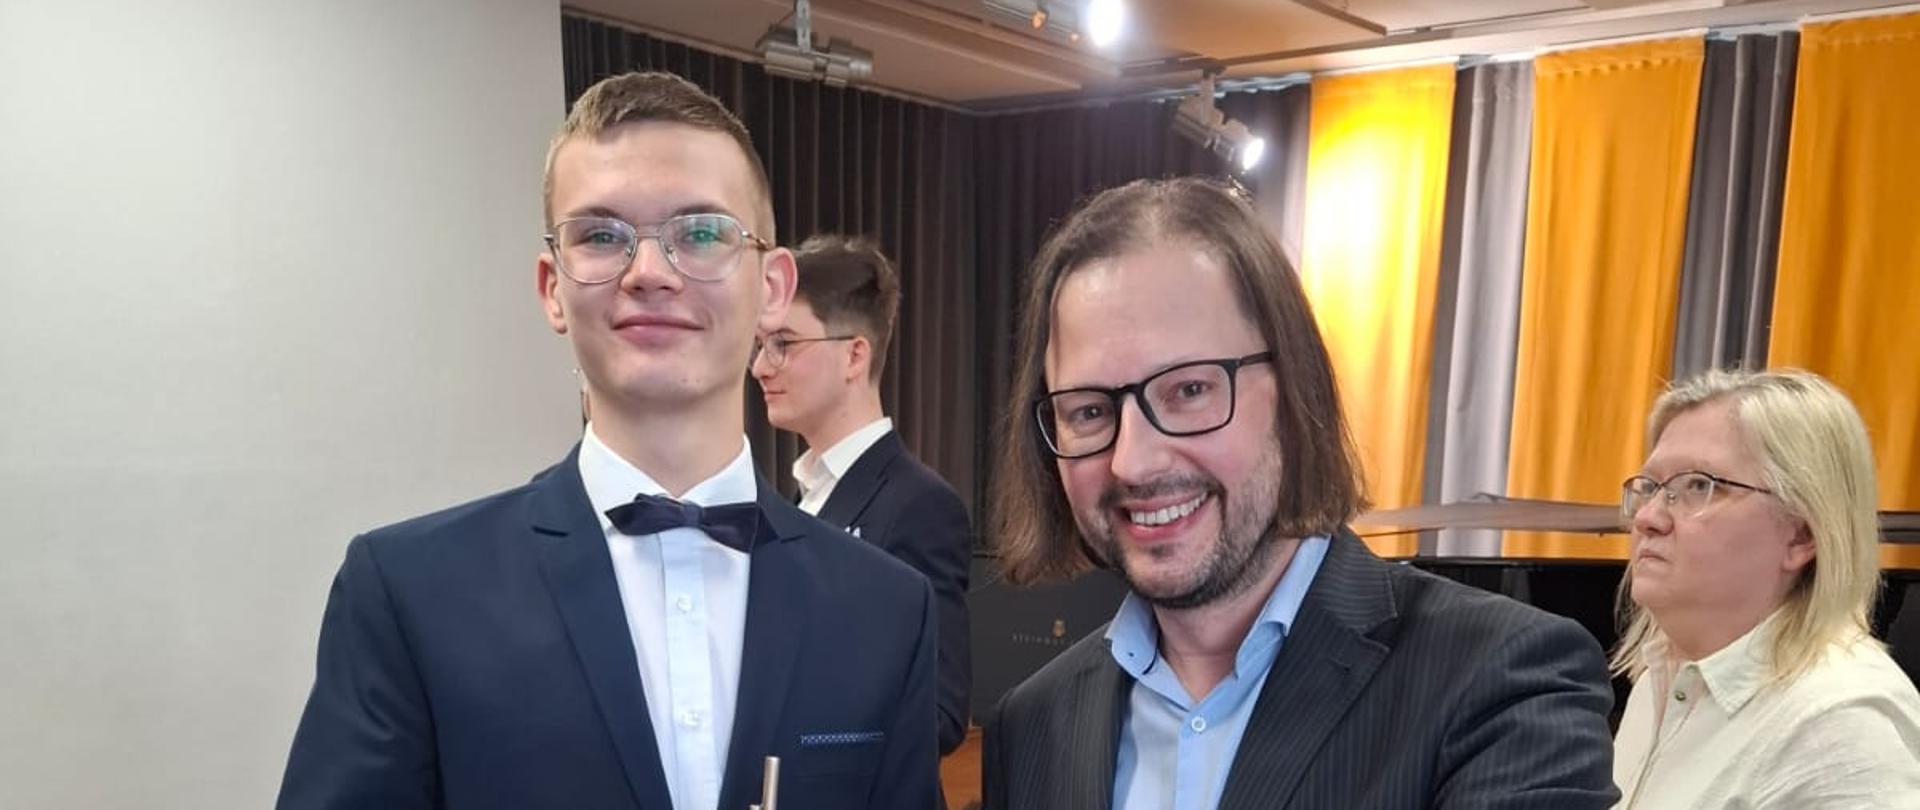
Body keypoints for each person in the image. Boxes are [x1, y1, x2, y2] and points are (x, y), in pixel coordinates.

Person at [276, 71, 938, 810]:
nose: (649, 273)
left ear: (772, 288)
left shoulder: (886, 609)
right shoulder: (410, 594)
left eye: (701, 233)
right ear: (552, 287)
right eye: (601, 236)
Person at [980, 177, 1617, 809]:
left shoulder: (1503, 680)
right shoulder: (1031, 726)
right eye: (1090, 411)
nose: (1133, 461)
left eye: (1190, 390)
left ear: (1294, 390)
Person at [1611, 368, 1920, 808]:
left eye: (1699, 485)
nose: (1647, 517)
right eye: (1651, 487)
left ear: (1801, 536)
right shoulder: (1661, 677)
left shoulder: (1839, 722)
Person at [749, 234, 973, 755]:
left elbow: (939, 713)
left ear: (854, 355)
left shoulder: (919, 506)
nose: (760, 366)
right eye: (760, 346)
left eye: (783, 343)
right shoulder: (798, 501)